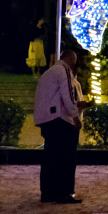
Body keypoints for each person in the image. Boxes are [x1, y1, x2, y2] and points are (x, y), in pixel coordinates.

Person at [34, 45, 84, 204]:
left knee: (50, 156)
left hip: (46, 120)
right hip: (60, 119)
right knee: (66, 157)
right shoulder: (64, 72)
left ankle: (48, 192)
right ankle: (64, 192)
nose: (74, 67)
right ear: (69, 60)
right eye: (74, 63)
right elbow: (68, 96)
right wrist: (75, 117)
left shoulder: (48, 73)